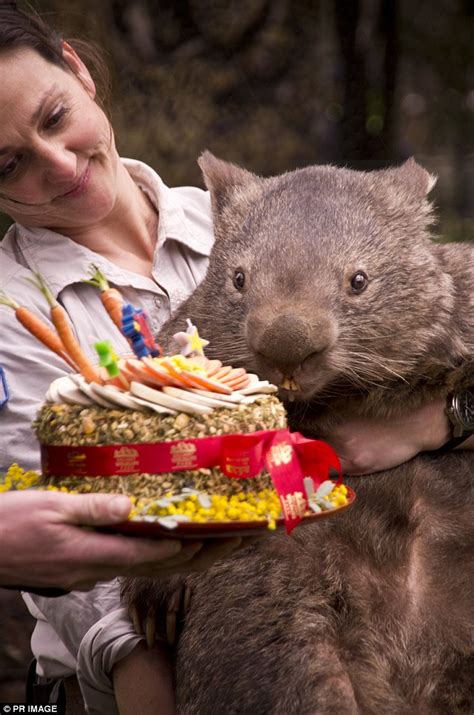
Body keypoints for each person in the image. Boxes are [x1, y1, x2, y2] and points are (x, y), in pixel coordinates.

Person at [0, 4, 471, 713]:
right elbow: (82, 553)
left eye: (56, 116)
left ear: (79, 71)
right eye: (10, 162)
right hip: (189, 656)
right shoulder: (12, 313)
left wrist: (442, 421)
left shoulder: (259, 208)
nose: (58, 164)